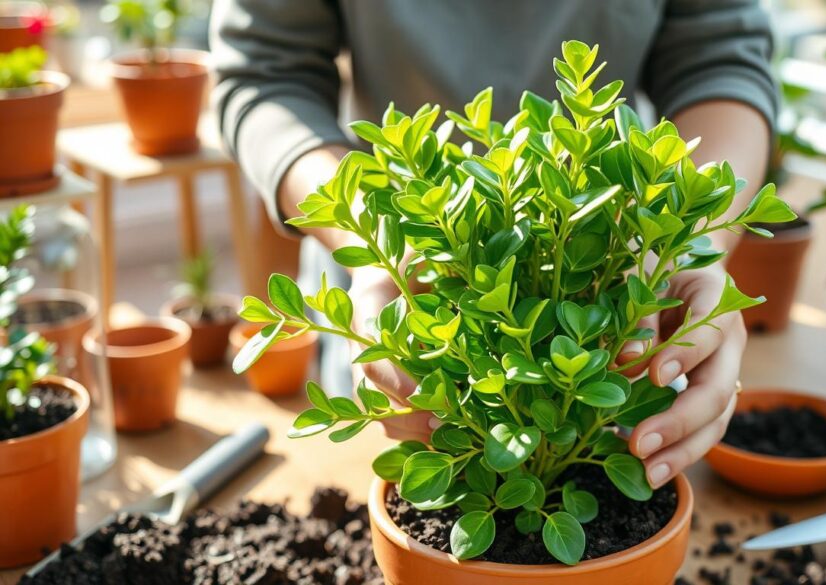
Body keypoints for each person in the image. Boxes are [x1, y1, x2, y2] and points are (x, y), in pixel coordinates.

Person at [211, 0, 775, 490]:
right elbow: (264, 71)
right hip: (406, 305)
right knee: (412, 454)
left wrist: (685, 244)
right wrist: (373, 234)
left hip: (614, 323)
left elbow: (720, 60)